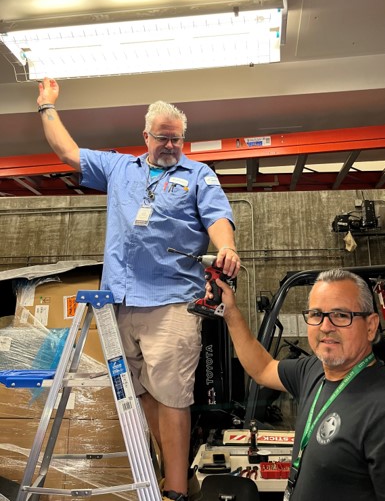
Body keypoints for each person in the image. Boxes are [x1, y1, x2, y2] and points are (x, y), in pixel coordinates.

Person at [36, 77, 241, 501]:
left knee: (173, 395)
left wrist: (227, 247)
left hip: (170, 301)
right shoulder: (119, 168)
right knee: (141, 390)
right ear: (145, 136)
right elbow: (67, 152)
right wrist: (46, 106)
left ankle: (176, 492)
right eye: (163, 138)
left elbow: (218, 217)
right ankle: (164, 473)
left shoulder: (197, 173)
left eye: (177, 139)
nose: (170, 146)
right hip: (119, 302)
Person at [215, 268, 385, 501]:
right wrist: (230, 312)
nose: (325, 326)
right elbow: (262, 369)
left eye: (341, 315)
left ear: (371, 326)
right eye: (316, 314)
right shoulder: (313, 371)